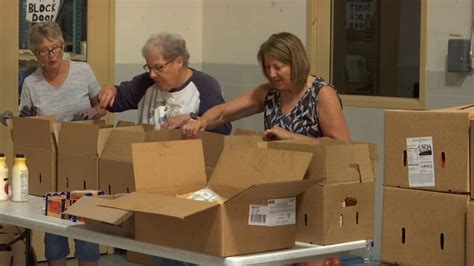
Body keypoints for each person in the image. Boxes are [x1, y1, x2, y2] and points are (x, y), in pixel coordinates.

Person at [20, 21, 102, 266]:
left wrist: (92, 113)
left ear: (63, 46)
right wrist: (25, 121)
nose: (50, 56)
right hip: (51, 161)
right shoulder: (31, 83)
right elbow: (26, 126)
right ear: (35, 54)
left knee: (86, 225)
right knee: (54, 227)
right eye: (43, 51)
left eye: (55, 48)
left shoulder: (83, 71)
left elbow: (102, 108)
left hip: (82, 157)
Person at [181, 32, 350, 143]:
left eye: (278, 67)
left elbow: (341, 143)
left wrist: (291, 137)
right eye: (267, 67)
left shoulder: (321, 93)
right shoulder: (269, 92)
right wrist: (200, 122)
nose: (272, 74)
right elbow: (223, 112)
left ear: (296, 63)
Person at [98, 32, 231, 135]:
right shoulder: (146, 82)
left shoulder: (205, 85)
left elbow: (223, 128)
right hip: (147, 157)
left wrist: (191, 119)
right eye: (149, 68)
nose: (152, 74)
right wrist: (110, 90)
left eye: (159, 67)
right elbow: (116, 100)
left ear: (179, 62)